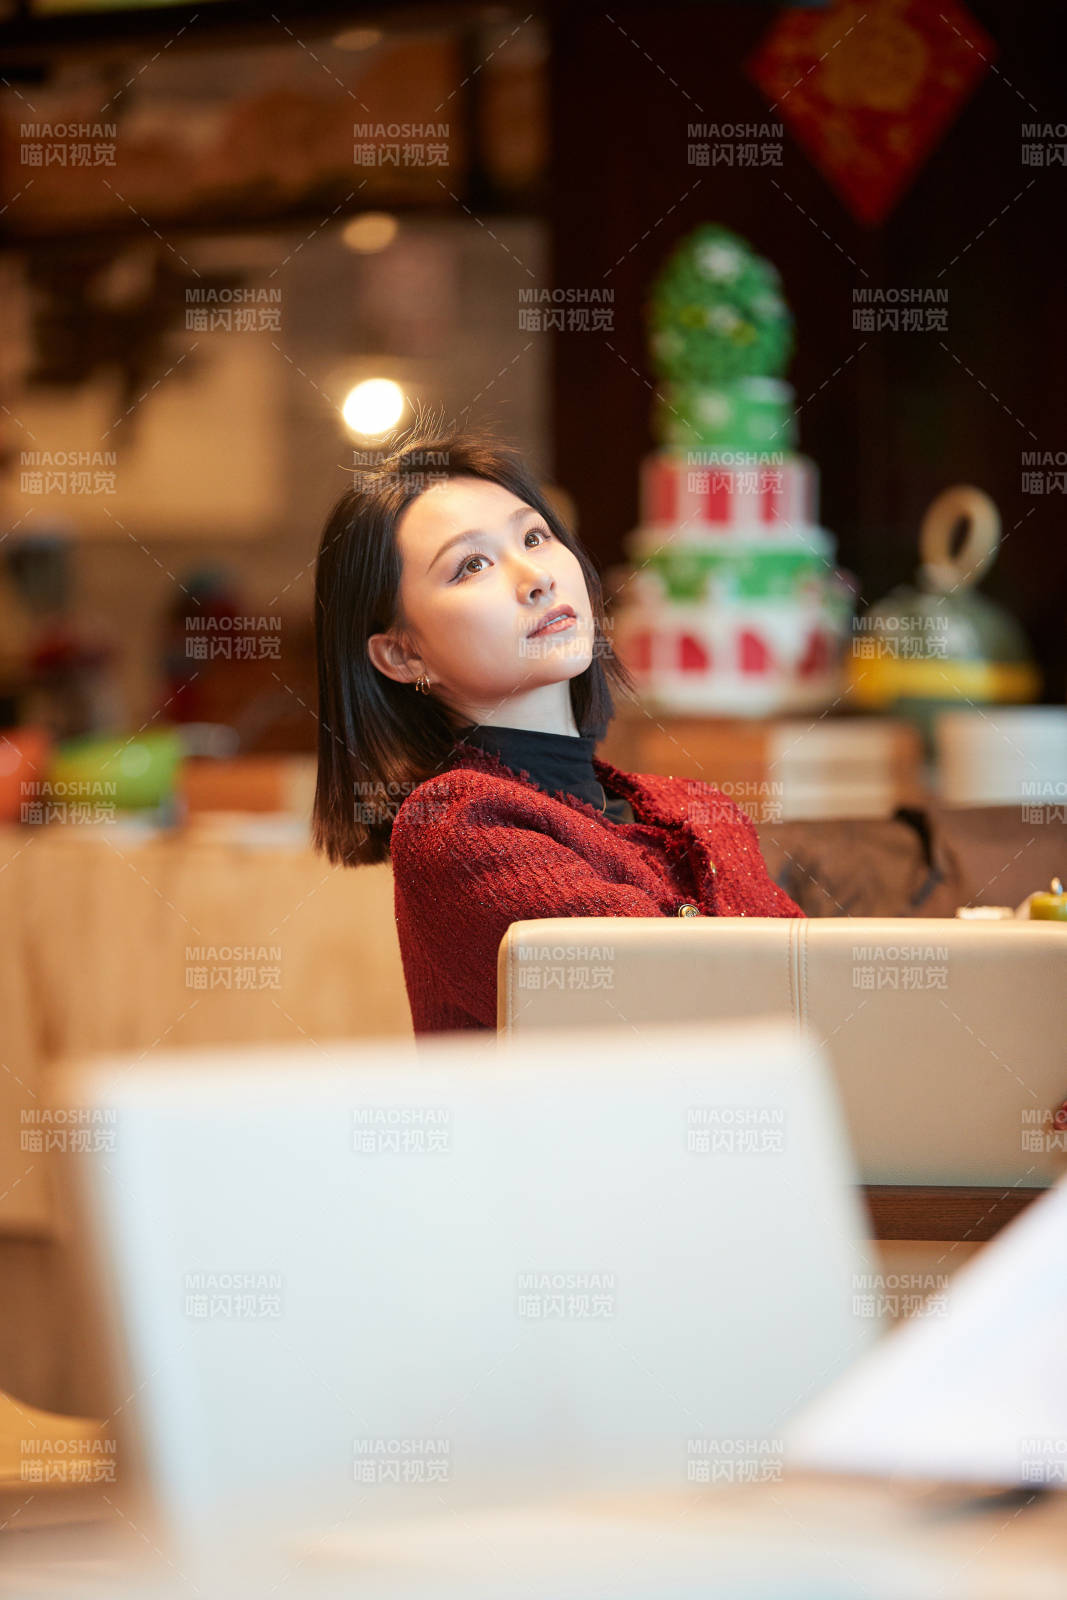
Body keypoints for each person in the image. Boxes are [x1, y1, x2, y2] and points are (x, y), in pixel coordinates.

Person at [312, 423, 804, 1035]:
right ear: (404, 656)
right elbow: (670, 1019)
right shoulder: (456, 826)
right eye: (471, 565)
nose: (535, 578)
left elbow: (817, 1004)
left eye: (536, 537)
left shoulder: (700, 809)